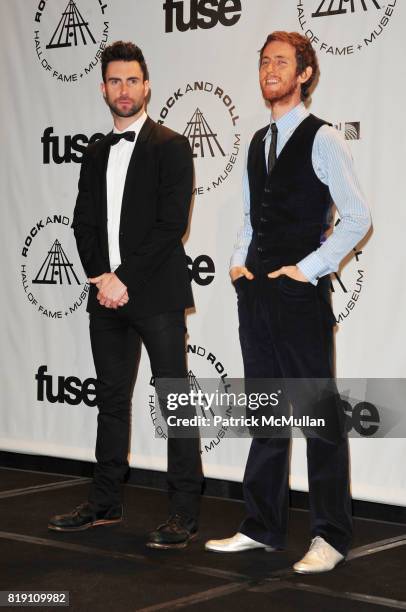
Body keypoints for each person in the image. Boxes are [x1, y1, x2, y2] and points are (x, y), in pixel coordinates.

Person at [205, 31, 371, 573]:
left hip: (299, 298)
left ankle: (331, 536)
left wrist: (307, 270)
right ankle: (262, 526)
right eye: (263, 62)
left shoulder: (324, 139)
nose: (269, 69)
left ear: (304, 74)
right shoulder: (257, 141)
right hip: (255, 297)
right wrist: (237, 264)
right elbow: (252, 217)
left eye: (281, 62)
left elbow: (357, 218)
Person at [48, 41, 203, 549]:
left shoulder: (172, 146)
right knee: (111, 403)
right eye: (115, 81)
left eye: (132, 80)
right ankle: (105, 503)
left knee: (174, 401)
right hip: (105, 297)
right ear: (103, 89)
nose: (124, 90)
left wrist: (122, 278)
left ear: (147, 86)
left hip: (153, 295)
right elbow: (82, 223)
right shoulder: (94, 152)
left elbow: (170, 226)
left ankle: (183, 512)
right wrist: (99, 276)